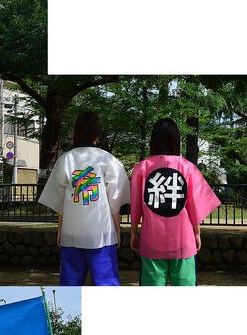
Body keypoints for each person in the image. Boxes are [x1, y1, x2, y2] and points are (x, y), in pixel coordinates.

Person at [39, 112, 130, 286]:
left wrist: (60, 229)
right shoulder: (108, 160)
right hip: (102, 233)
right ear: (97, 133)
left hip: (71, 231)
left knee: (70, 283)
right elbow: (114, 200)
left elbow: (60, 201)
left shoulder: (66, 159)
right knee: (106, 283)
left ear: (76, 132)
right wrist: (117, 228)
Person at [130, 118, 221, 285]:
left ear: (153, 140)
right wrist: (197, 233)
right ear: (176, 141)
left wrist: (133, 232)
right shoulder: (188, 167)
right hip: (183, 240)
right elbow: (194, 206)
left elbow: (136, 205)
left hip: (152, 240)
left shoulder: (142, 167)